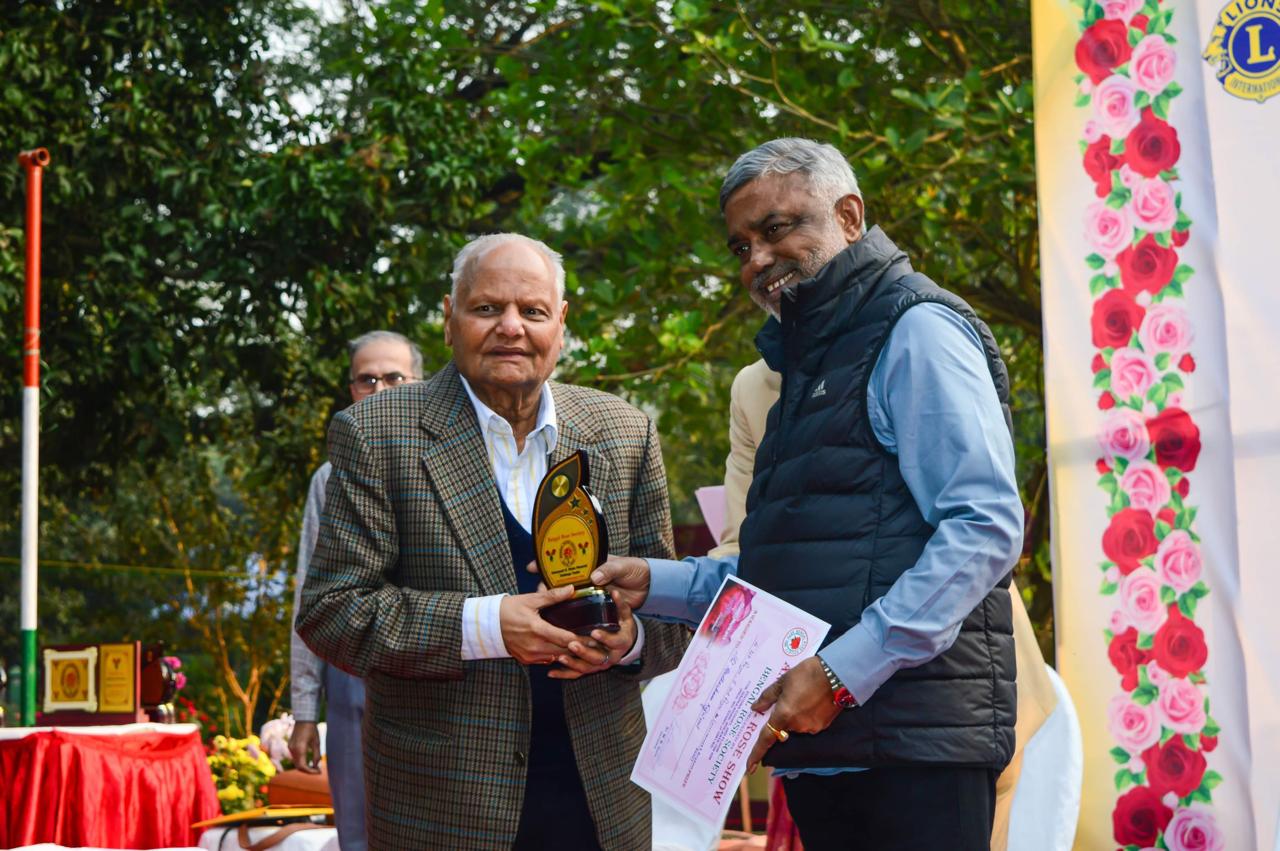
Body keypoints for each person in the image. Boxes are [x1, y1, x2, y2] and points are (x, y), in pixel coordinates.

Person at [593, 137, 1025, 849]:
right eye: (741, 246)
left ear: (849, 216)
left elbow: (984, 528)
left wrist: (842, 673)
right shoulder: (801, 366)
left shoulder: (914, 328)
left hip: (914, 753)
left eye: (777, 228)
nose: (757, 259)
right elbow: (784, 571)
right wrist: (654, 582)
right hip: (828, 754)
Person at [296, 233, 688, 850]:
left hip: (603, 805)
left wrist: (630, 640)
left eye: (532, 311)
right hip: (442, 809)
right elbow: (332, 612)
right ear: (449, 319)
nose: (511, 327)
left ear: (560, 324)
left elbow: (674, 615)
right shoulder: (377, 434)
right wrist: (486, 627)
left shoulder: (623, 432)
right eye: (487, 308)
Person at [712, 357, 1059, 851]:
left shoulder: (911, 341)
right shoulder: (755, 386)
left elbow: (982, 523)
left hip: (947, 694)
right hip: (821, 720)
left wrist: (844, 670)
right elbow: (742, 554)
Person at [288, 330, 424, 851]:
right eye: (367, 379)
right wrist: (305, 710)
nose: (379, 389)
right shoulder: (330, 479)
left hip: (436, 676)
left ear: (419, 383)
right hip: (351, 684)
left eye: (394, 377)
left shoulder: (454, 468)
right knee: (359, 834)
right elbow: (310, 596)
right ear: (351, 390)